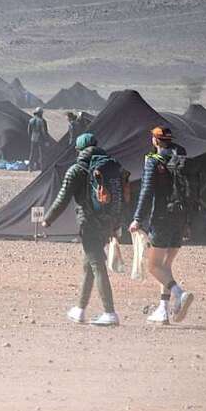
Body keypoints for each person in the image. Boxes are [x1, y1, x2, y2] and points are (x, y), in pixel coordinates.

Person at [42, 132, 121, 327]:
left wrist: (48, 220)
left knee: (97, 265)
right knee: (89, 265)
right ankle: (80, 309)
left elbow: (63, 198)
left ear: (78, 150)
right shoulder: (109, 165)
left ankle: (110, 313)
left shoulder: (76, 170)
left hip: (89, 223)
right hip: (106, 222)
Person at [129, 126, 194, 324]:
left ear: (155, 141)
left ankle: (179, 293)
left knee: (153, 266)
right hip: (180, 218)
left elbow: (146, 192)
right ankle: (163, 311)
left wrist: (137, 219)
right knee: (166, 267)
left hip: (161, 218)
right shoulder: (181, 160)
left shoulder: (153, 161)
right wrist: (188, 221)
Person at [27, 107, 49, 171]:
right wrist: (46, 140)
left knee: (32, 153)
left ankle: (30, 168)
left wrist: (31, 137)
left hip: (33, 139)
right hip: (41, 139)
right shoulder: (42, 121)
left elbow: (29, 131)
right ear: (40, 113)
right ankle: (42, 168)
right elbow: (44, 132)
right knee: (42, 154)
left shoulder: (31, 120)